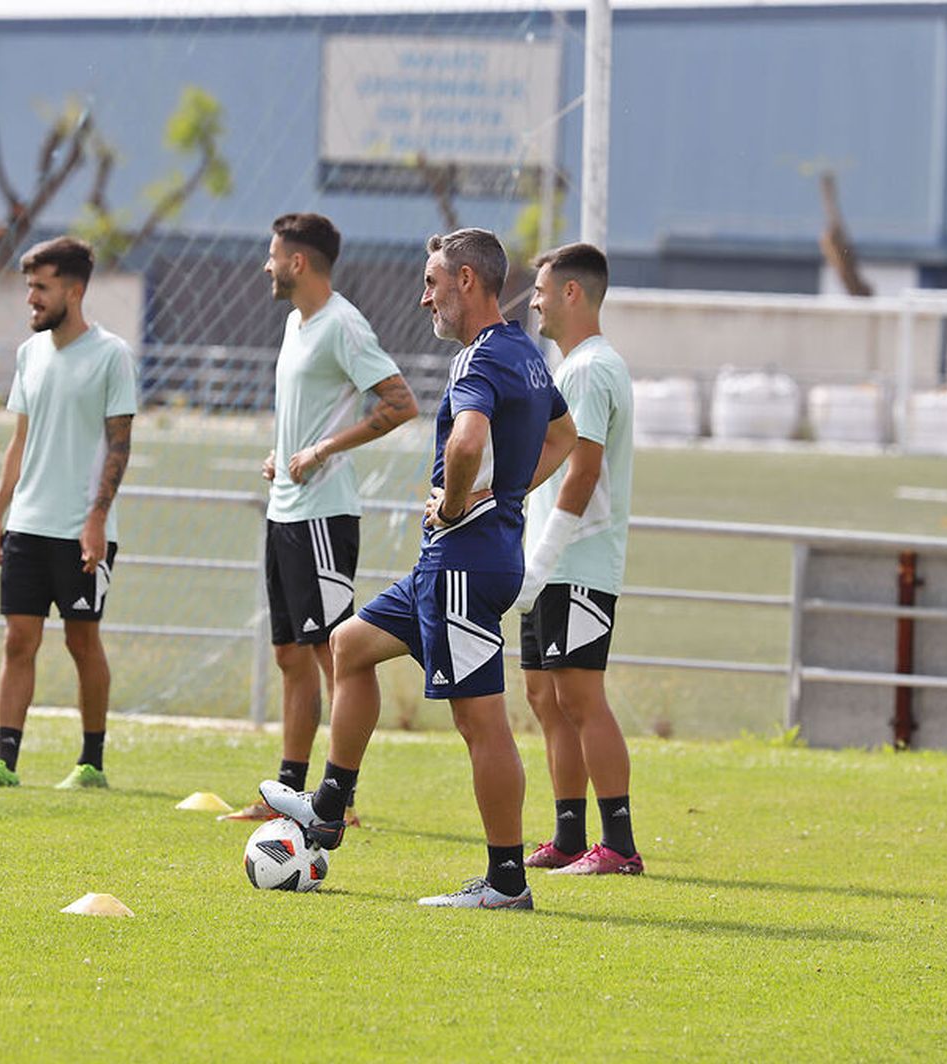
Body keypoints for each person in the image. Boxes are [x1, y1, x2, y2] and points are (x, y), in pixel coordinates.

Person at [261, 227, 577, 910]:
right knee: (348, 646)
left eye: (433, 281)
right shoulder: (524, 353)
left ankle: (505, 882)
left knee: (481, 725)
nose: (423, 295)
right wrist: (506, 492)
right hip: (457, 561)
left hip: (463, 561)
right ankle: (328, 806)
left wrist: (461, 502)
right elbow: (564, 435)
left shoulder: (478, 361)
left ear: (468, 281)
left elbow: (466, 441)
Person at [224, 213, 418, 823]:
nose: (267, 265)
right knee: (289, 653)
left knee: (336, 655)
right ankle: (284, 792)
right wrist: (284, 453)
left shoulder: (343, 324)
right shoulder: (295, 323)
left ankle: (342, 798)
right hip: (285, 511)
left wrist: (322, 451)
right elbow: (310, 415)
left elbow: (400, 402)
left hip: (325, 518)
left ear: (298, 262)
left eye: (273, 255)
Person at [0, 236, 139, 789]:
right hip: (27, 525)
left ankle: (91, 763)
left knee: (82, 641)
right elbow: (20, 440)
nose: (31, 298)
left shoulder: (111, 355)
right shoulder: (29, 354)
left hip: (82, 529)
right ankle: (4, 762)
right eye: (29, 287)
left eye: (41, 287)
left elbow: (120, 444)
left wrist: (97, 518)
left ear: (74, 290)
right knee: (17, 639)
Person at [517, 242, 643, 875]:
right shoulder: (571, 368)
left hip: (578, 566)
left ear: (572, 293)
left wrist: (539, 560)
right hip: (552, 569)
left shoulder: (593, 368)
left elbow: (585, 468)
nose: (533, 300)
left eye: (540, 289)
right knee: (545, 696)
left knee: (582, 698)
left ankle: (618, 845)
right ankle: (569, 836)